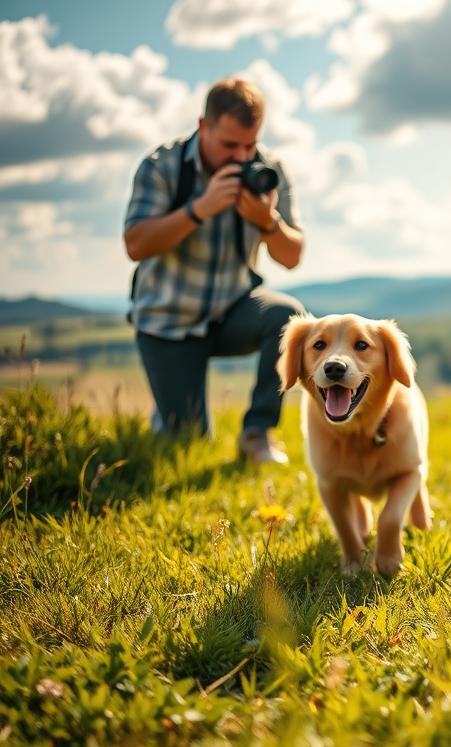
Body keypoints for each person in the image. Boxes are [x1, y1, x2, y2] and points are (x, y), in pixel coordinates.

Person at [123, 77, 304, 464]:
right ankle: (171, 410)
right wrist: (198, 209)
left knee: (288, 318)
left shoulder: (268, 172)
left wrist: (268, 222)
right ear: (203, 126)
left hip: (231, 310)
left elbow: (292, 256)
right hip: (168, 323)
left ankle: (257, 434)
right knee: (187, 441)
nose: (242, 157)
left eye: (250, 145)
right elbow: (135, 244)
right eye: (229, 145)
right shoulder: (162, 166)